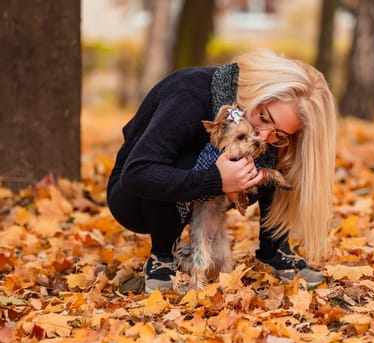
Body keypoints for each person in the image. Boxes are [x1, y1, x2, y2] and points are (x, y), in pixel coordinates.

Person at [106, 49, 337, 293]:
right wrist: (216, 180)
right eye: (264, 116)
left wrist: (267, 150)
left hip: (210, 185)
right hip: (136, 195)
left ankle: (274, 251)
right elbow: (137, 173)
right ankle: (162, 255)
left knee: (276, 149)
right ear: (256, 90)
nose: (266, 133)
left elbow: (269, 140)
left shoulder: (263, 132)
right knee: (185, 159)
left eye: (279, 131)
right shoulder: (189, 93)